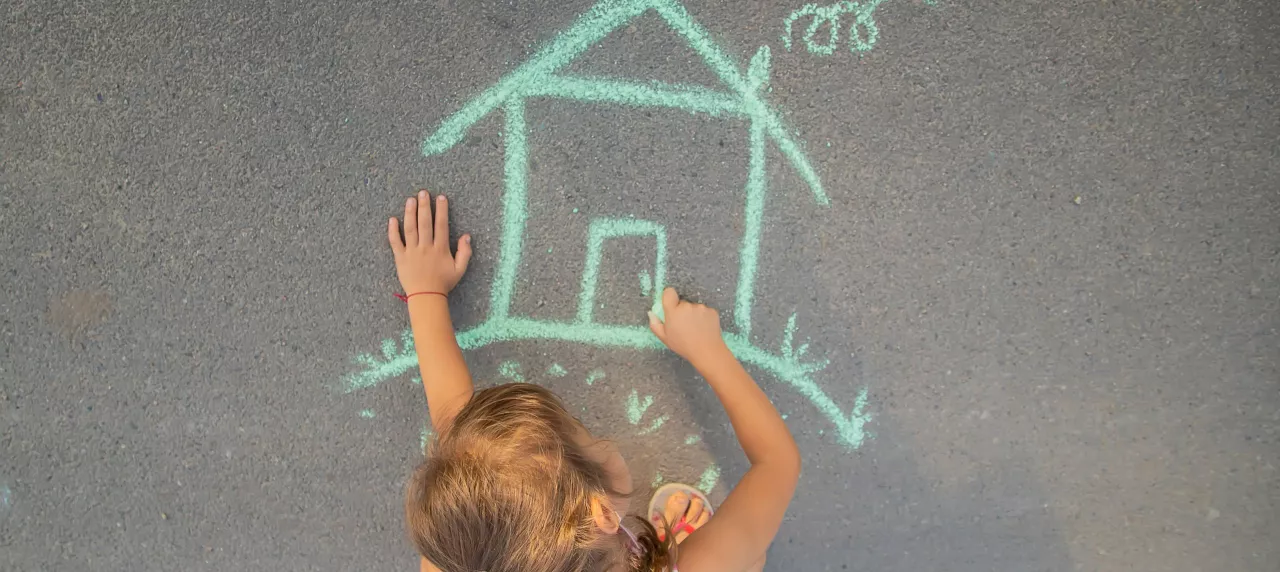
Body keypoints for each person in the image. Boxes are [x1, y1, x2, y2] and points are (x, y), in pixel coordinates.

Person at [387, 190, 801, 572]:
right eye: (583, 434)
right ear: (602, 515)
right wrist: (710, 351)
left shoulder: (464, 555)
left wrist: (425, 296)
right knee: (748, 553)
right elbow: (777, 464)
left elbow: (464, 453)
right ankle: (662, 547)